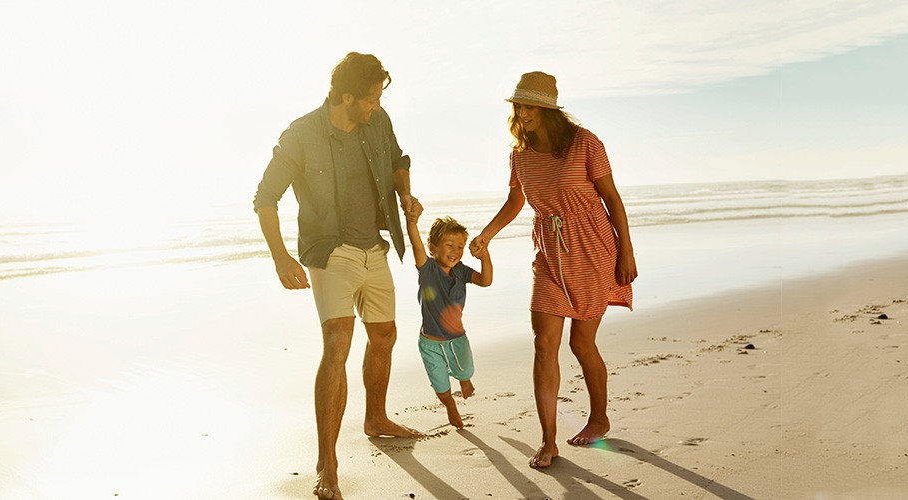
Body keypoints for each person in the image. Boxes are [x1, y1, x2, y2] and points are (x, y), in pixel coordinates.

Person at [253, 51, 426, 499]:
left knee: (384, 336)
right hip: (330, 252)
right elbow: (265, 198)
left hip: (375, 246)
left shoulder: (378, 122)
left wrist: (406, 195)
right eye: (370, 98)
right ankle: (326, 462)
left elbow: (398, 160)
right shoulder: (301, 135)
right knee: (338, 343)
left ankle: (376, 418)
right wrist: (280, 257)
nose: (376, 106)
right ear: (346, 97)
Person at [469, 71, 638, 469]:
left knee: (581, 344)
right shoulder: (520, 153)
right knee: (544, 345)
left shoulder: (584, 143)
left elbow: (612, 198)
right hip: (548, 251)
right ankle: (549, 440)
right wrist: (486, 235)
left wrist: (626, 251)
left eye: (529, 106)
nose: (522, 114)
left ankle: (599, 418)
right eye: (518, 106)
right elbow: (515, 202)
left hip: (592, 247)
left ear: (548, 109)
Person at [403, 214, 491, 429]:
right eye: (449, 245)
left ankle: (464, 379)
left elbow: (485, 281)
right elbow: (416, 244)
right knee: (440, 384)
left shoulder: (461, 271)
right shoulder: (428, 269)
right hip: (430, 343)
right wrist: (411, 221)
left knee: (466, 371)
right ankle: (450, 405)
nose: (455, 251)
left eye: (460, 246)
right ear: (432, 248)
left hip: (458, 339)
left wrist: (485, 257)